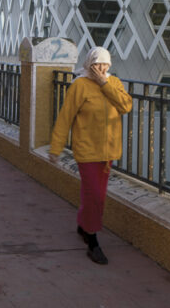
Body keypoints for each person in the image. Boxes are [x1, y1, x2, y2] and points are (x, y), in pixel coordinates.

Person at [48, 46, 132, 265]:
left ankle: (83, 224)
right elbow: (65, 117)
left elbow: (126, 106)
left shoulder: (113, 83)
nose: (101, 69)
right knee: (94, 195)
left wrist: (105, 84)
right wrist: (55, 148)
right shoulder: (80, 86)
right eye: (97, 65)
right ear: (89, 65)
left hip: (108, 152)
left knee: (98, 196)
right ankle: (93, 242)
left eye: (104, 65)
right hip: (86, 151)